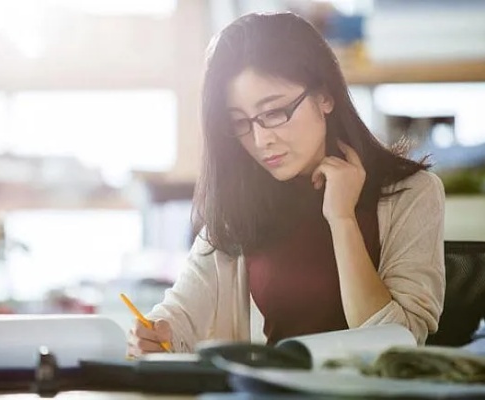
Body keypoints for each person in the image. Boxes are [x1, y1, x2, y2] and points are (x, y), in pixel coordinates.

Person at [127, 11, 445, 356]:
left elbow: (400, 344)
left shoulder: (412, 193)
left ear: (325, 96)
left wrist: (342, 219)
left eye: (274, 112)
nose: (261, 140)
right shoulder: (241, 202)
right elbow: (180, 318)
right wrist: (154, 335)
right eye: (241, 122)